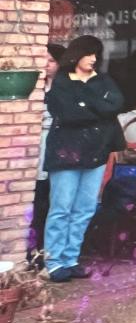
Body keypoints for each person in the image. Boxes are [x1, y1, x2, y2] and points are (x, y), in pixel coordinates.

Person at [43, 35, 125, 282]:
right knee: (61, 208)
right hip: (65, 153)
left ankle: (71, 258)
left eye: (96, 55)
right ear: (77, 55)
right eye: (89, 54)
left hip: (96, 153)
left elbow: (117, 104)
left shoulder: (103, 80)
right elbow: (68, 113)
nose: (93, 59)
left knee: (85, 208)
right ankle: (54, 262)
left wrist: (85, 102)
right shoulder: (62, 81)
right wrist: (98, 106)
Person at [26, 43, 65, 271]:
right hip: (33, 150)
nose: (46, 65)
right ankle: (31, 251)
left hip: (54, 149)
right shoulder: (34, 87)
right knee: (35, 203)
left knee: (50, 203)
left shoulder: (63, 89)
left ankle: (47, 252)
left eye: (50, 61)